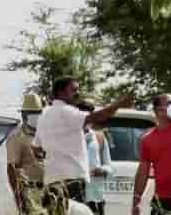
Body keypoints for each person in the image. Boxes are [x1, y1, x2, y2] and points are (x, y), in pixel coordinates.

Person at [32, 77, 132, 205]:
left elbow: (35, 147)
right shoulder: (66, 111)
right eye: (74, 90)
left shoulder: (44, 115)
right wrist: (118, 105)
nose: (78, 93)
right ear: (61, 92)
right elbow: (95, 117)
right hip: (72, 180)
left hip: (52, 179)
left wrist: (51, 158)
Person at [7, 94, 45, 215]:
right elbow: (12, 169)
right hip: (30, 191)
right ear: (24, 115)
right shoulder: (17, 137)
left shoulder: (46, 133)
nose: (36, 116)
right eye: (32, 113)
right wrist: (19, 201)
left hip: (50, 190)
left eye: (38, 113)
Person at [84, 123, 113, 215]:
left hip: (96, 198)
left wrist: (101, 170)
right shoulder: (69, 138)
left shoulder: (99, 138)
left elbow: (109, 166)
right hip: (76, 198)